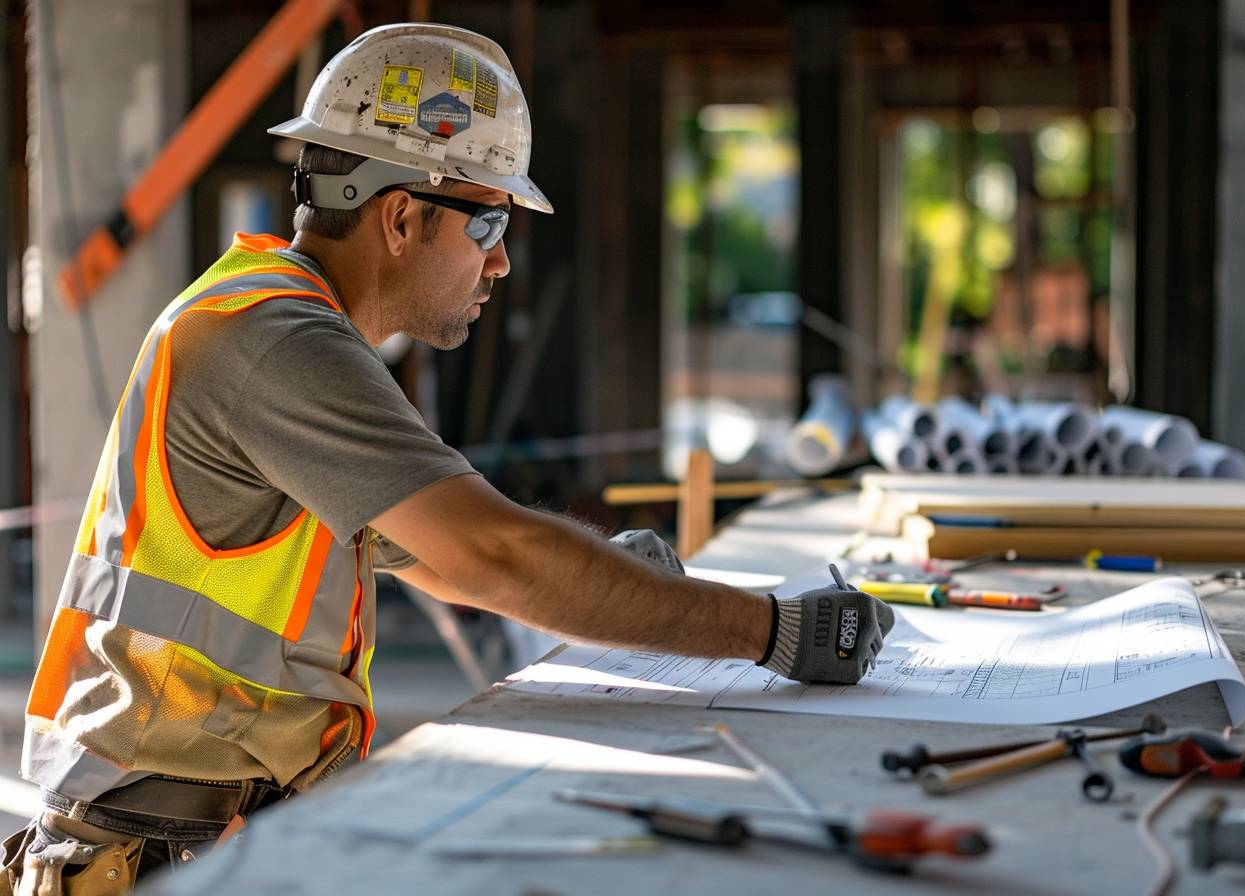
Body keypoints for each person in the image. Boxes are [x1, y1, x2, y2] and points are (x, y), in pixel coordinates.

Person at [1, 23, 893, 893]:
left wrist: (612, 584)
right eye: (488, 222)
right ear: (399, 217)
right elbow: (495, 556)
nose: (501, 262)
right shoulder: (277, 342)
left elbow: (436, 558)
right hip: (159, 848)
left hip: (191, 830)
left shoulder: (281, 323)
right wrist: (769, 631)